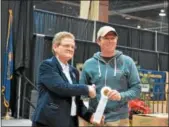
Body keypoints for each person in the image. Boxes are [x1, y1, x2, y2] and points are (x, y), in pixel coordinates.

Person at [32, 31, 101, 127]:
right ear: (55, 47)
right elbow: (61, 88)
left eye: (73, 47)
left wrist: (89, 116)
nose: (70, 49)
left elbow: (76, 100)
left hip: (70, 122)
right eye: (66, 45)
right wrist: (86, 89)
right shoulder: (47, 65)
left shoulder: (74, 72)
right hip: (49, 122)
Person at [80, 26, 141, 126]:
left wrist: (121, 96)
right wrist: (88, 111)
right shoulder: (89, 64)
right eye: (106, 38)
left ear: (116, 40)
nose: (110, 41)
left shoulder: (127, 62)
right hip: (95, 118)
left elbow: (137, 89)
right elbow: (81, 93)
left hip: (120, 119)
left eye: (113, 38)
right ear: (98, 41)